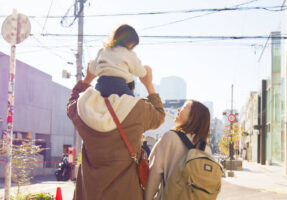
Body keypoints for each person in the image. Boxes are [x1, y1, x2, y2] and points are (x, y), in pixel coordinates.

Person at [66, 63, 165, 200]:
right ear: (130, 88)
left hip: (90, 193)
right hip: (127, 193)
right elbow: (159, 115)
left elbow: (72, 102)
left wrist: (87, 79)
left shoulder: (83, 110)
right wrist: (148, 84)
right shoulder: (138, 109)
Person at [145, 100, 211, 200]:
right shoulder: (206, 148)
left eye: (184, 107)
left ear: (192, 117)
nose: (178, 109)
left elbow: (153, 176)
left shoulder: (170, 137)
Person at [89, 24, 146, 93]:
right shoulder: (129, 53)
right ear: (131, 43)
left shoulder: (103, 51)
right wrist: (145, 70)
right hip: (119, 85)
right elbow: (140, 72)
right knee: (131, 88)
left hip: (101, 85)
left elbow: (92, 69)